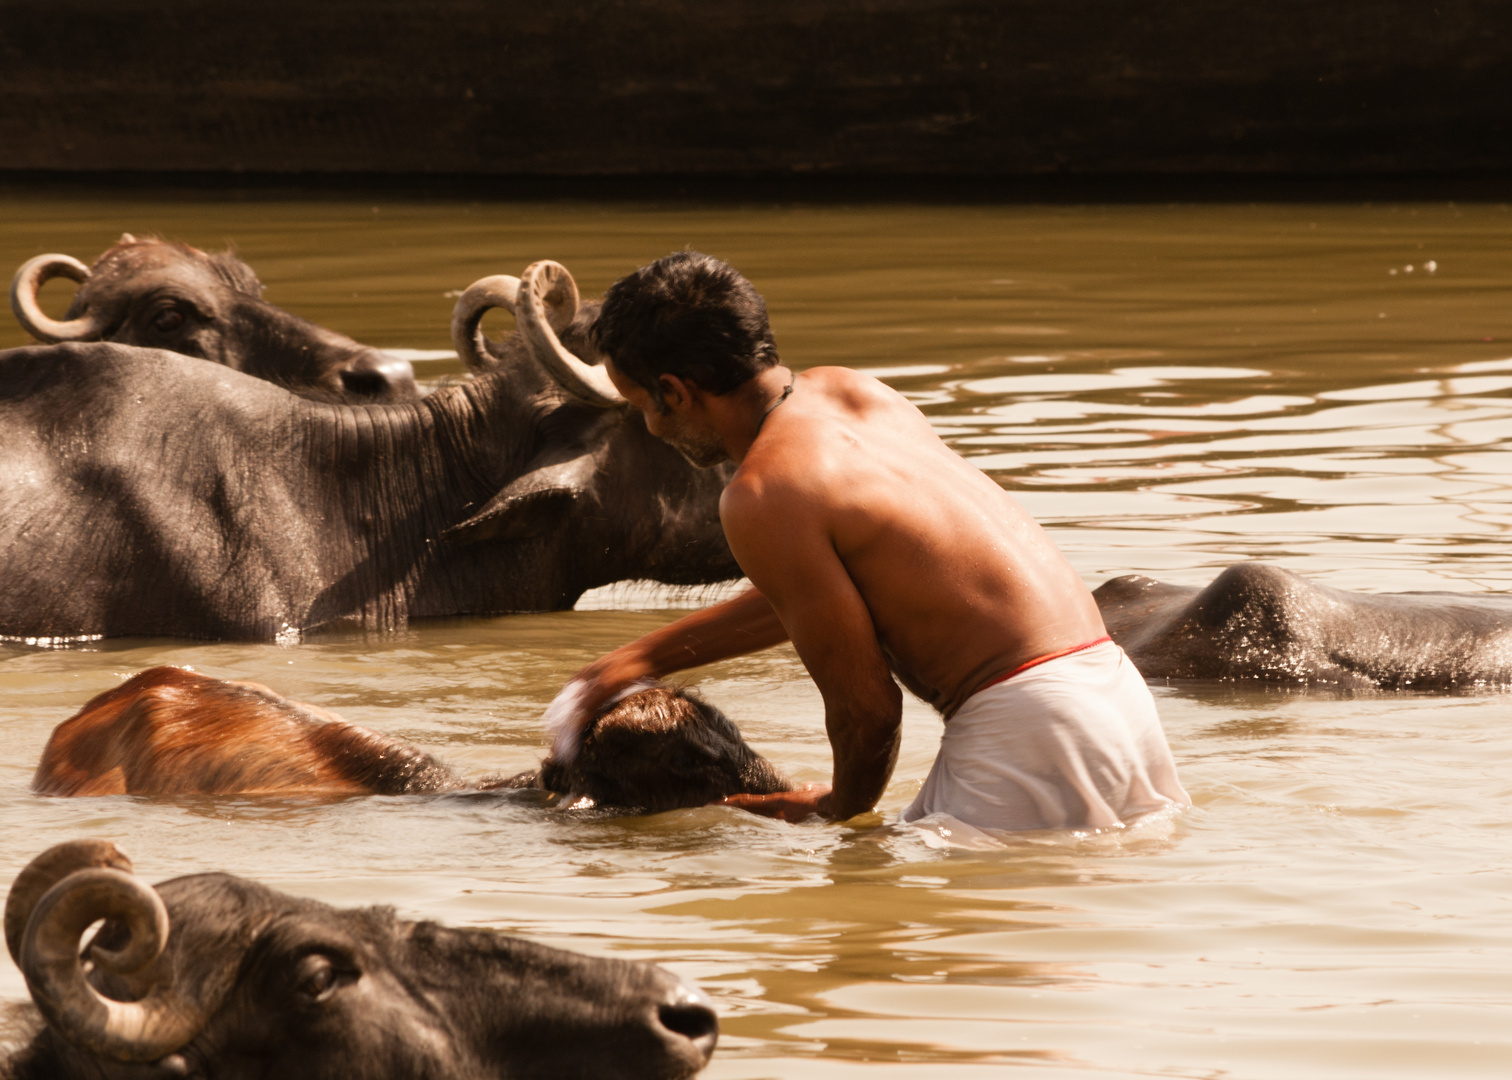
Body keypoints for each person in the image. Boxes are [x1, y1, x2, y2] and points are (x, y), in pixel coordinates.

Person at [553, 251, 1189, 830]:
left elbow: (868, 713)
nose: (652, 427)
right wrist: (630, 664)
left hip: (1028, 728)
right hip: (1113, 696)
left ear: (675, 392)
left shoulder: (761, 493)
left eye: (642, 406)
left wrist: (840, 811)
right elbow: (824, 589)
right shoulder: (854, 392)